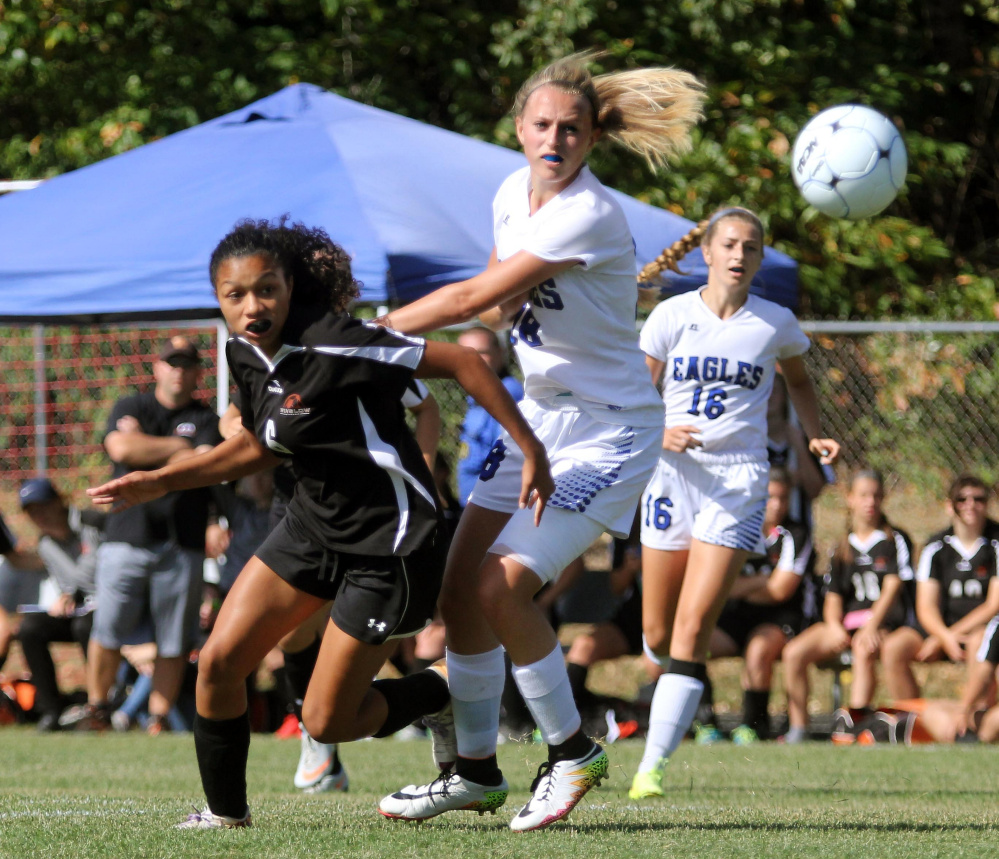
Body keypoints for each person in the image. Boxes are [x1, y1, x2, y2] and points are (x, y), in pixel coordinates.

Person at [88, 217, 552, 830]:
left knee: (329, 721)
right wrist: (162, 479)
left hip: (390, 545)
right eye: (235, 295)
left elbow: (466, 364)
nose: (253, 306)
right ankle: (225, 816)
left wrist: (531, 450)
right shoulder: (244, 354)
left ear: (288, 286)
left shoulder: (337, 340)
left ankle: (440, 693)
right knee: (220, 663)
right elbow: (258, 448)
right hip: (310, 530)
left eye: (267, 289)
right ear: (218, 300)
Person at [374, 53, 705, 831]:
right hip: (545, 421)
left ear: (592, 138)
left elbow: (468, 294)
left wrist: (368, 336)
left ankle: (571, 749)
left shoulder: (587, 211)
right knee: (457, 593)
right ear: (518, 128)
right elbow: (492, 305)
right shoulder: (508, 196)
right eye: (543, 124)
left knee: (499, 587)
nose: (555, 138)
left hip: (611, 432)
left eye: (571, 128)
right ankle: (476, 772)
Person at [627, 205, 840, 800]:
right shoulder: (672, 315)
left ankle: (652, 766)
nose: (741, 255)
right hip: (670, 475)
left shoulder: (773, 323)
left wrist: (813, 431)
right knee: (658, 632)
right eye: (730, 244)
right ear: (707, 253)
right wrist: (659, 431)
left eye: (752, 246)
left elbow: (798, 380)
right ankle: (665, 693)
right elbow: (636, 392)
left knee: (693, 628)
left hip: (738, 478)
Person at [69, 336, 223, 734]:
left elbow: (207, 462)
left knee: (174, 639)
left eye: (187, 364)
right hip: (126, 537)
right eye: (171, 363)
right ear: (156, 368)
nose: (178, 371)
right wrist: (179, 447)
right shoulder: (131, 405)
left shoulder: (207, 418)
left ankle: (157, 719)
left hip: (181, 543)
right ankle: (97, 709)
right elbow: (120, 448)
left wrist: (151, 447)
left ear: (197, 373)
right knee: (107, 629)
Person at [781, 468, 913, 744]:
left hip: (882, 623)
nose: (870, 502)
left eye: (877, 496)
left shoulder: (894, 540)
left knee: (863, 647)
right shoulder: (841, 547)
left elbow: (892, 588)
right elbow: (833, 597)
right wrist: (833, 626)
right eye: (864, 495)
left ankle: (854, 721)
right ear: (850, 498)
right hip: (846, 623)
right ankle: (798, 728)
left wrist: (872, 625)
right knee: (794, 652)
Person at [698, 466, 814, 743]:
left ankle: (753, 724)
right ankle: (704, 722)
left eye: (783, 498)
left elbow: (780, 591)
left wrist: (741, 588)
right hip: (738, 617)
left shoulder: (795, 534)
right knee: (694, 641)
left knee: (758, 649)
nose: (777, 505)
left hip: (780, 618)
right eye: (770, 497)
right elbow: (719, 586)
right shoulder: (737, 530)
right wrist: (760, 582)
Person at [880, 475, 999, 701]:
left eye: (978, 499)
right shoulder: (935, 546)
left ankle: (974, 723)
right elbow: (926, 607)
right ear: (949, 505)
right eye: (961, 499)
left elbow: (994, 604)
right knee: (894, 647)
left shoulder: (995, 543)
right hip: (940, 629)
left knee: (979, 643)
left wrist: (949, 636)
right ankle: (912, 723)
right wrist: (943, 635)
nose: (970, 505)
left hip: (980, 628)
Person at [14, 478, 103, 732]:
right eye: (31, 511)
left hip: (111, 608)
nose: (38, 516)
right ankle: (52, 710)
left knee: (85, 626)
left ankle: (100, 705)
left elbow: (98, 572)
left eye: (42, 506)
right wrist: (67, 595)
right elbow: (71, 585)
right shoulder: (46, 544)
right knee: (30, 628)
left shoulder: (92, 523)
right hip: (81, 609)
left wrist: (72, 591)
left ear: (59, 501)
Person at [455, 326, 523, 508]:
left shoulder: (507, 393)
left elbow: (508, 458)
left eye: (482, 353)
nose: (474, 361)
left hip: (495, 505)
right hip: (473, 504)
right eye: (465, 355)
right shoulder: (477, 393)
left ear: (500, 353)